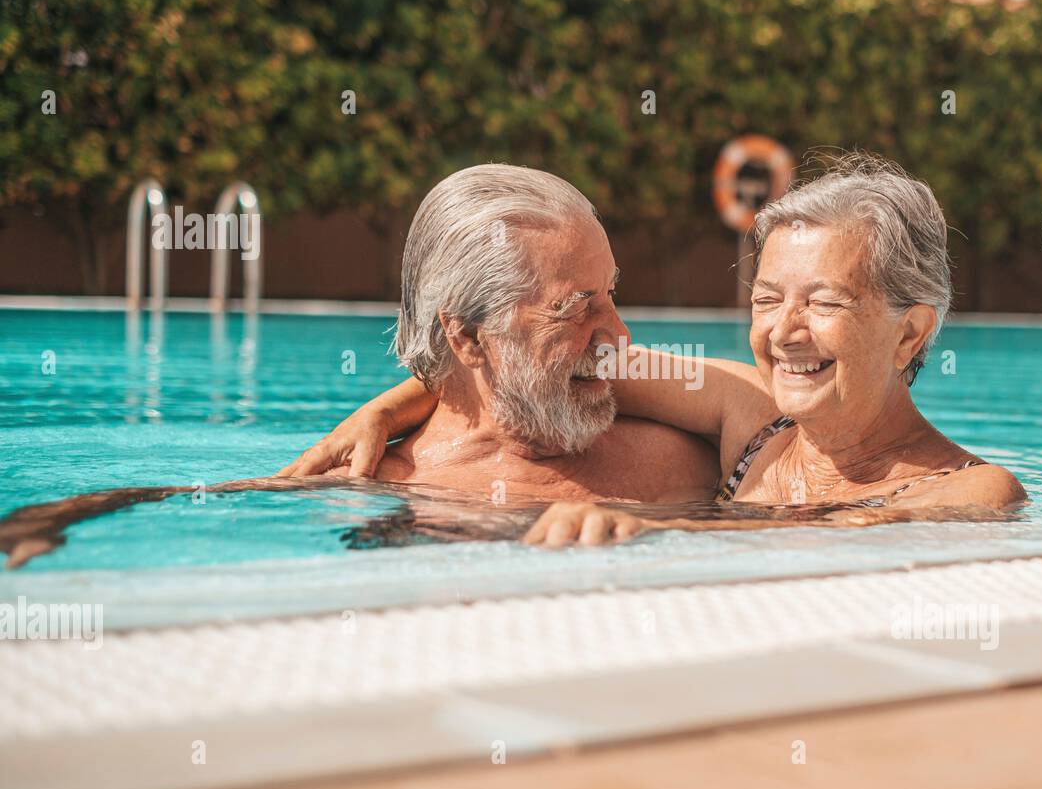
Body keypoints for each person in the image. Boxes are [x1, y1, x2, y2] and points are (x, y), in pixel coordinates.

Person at [287, 154, 1026, 547]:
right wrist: (385, 408)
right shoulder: (749, 415)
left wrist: (654, 527)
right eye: (767, 299)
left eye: (824, 301)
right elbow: (534, 368)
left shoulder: (974, 490)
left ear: (911, 331)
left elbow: (843, 532)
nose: (784, 331)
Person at [0, 165, 718, 569]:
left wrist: (666, 529)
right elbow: (203, 499)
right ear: (467, 338)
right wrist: (58, 513)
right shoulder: (379, 480)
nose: (617, 333)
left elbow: (816, 487)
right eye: (575, 309)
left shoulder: (678, 457)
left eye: (613, 295)